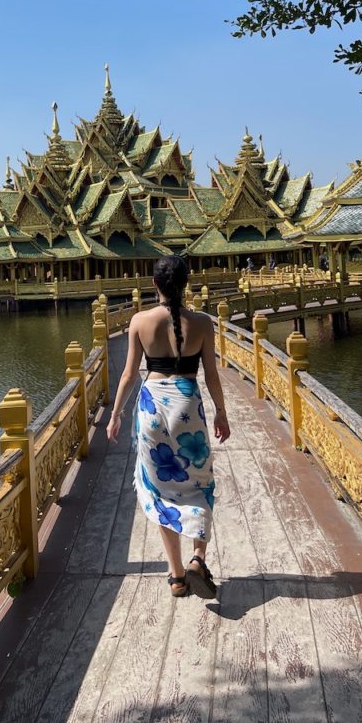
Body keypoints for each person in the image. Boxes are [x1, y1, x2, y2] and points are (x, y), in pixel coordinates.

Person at [107, 256, 230, 598]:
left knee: (160, 489)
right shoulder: (204, 323)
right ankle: (197, 559)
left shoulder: (138, 321)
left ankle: (176, 576)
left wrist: (115, 413)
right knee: (200, 484)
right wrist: (221, 412)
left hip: (152, 410)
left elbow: (130, 374)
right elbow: (212, 375)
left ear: (154, 285)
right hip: (188, 405)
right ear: (186, 284)